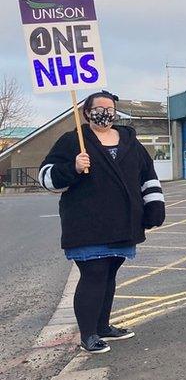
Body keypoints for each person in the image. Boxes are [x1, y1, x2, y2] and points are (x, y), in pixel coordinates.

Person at [39, 90, 166, 354]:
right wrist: (71, 168)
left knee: (109, 275)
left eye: (111, 108)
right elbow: (45, 177)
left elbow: (148, 176)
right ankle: (88, 335)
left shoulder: (130, 141)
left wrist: (154, 205)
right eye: (100, 108)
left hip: (124, 223)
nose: (106, 113)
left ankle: (103, 326)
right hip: (87, 223)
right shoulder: (72, 141)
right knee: (93, 275)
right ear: (86, 112)